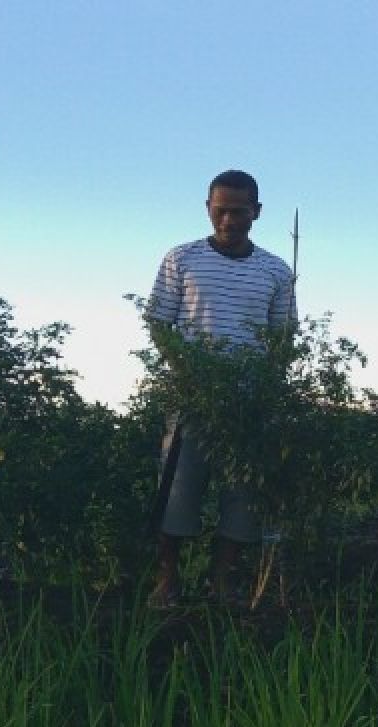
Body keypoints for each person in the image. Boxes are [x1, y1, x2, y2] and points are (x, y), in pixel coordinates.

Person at [144, 169, 296, 608]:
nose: (229, 219)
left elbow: (282, 337)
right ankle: (168, 581)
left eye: (240, 211)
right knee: (178, 487)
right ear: (208, 208)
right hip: (191, 397)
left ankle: (222, 584)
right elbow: (159, 322)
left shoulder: (276, 270)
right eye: (221, 210)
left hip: (250, 402)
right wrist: (188, 374)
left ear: (257, 212)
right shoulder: (182, 258)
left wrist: (266, 389)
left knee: (242, 496)